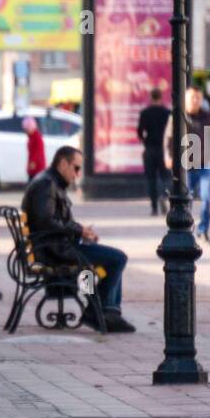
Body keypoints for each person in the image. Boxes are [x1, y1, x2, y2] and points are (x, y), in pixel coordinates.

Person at [21, 146, 135, 334]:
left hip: (57, 247)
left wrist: (82, 231)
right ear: (63, 163)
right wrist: (79, 230)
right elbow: (46, 221)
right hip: (54, 251)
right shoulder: (46, 184)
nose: (77, 174)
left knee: (97, 259)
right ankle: (104, 311)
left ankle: (99, 310)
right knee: (117, 258)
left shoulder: (50, 182)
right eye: (76, 168)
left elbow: (54, 219)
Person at [164, 86, 210, 244]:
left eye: (198, 98)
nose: (195, 101)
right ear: (185, 100)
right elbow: (168, 139)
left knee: (208, 197)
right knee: (184, 201)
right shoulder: (177, 116)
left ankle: (203, 230)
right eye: (192, 98)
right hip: (184, 167)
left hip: (204, 165)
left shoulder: (208, 117)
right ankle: (186, 230)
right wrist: (168, 157)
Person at [136, 88, 171, 215]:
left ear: (151, 97)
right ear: (161, 97)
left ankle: (154, 206)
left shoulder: (145, 113)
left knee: (151, 178)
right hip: (164, 149)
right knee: (165, 177)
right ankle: (163, 195)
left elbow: (140, 131)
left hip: (150, 149)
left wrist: (145, 141)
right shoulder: (167, 113)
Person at [23, 115, 46, 180]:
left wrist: (33, 162)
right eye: (25, 129)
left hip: (38, 169)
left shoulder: (37, 137)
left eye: (27, 129)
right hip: (33, 168)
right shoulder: (31, 137)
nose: (26, 131)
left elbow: (38, 152)